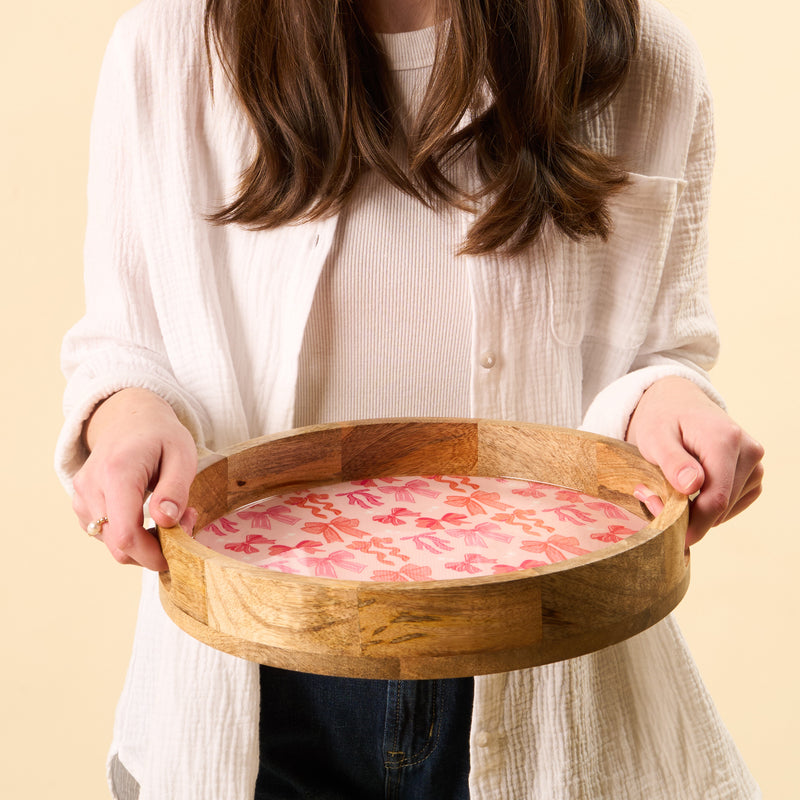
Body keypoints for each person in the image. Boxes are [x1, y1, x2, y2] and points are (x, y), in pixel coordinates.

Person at [56, 0, 765, 797]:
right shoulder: (166, 50)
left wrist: (669, 405)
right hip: (247, 694)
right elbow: (125, 344)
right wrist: (129, 415)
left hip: (548, 687)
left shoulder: (644, 60)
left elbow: (657, 351)